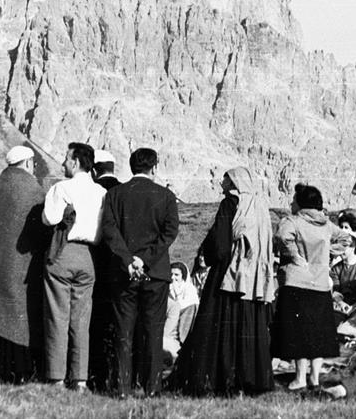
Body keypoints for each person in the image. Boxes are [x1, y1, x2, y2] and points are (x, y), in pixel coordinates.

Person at [168, 167, 275, 396]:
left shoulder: (229, 204)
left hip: (228, 272)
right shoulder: (259, 206)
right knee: (248, 325)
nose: (221, 182)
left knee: (218, 323)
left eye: (226, 178)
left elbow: (220, 241)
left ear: (235, 181)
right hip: (252, 275)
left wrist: (206, 256)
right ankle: (248, 379)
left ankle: (217, 378)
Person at [101, 148, 180, 397]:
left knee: (123, 331)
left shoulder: (115, 194)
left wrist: (129, 260)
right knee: (153, 331)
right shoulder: (166, 196)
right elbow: (170, 232)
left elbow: (110, 231)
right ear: (154, 168)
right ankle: (152, 387)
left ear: (131, 166)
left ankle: (122, 387)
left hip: (124, 273)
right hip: (154, 273)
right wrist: (144, 261)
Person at [0, 145, 50, 384]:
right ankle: (20, 370)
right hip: (23, 264)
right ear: (29, 163)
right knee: (21, 316)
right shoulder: (32, 189)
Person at [42, 142, 107, 389]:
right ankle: (79, 379)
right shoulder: (101, 192)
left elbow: (50, 218)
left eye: (67, 159)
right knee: (81, 320)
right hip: (89, 257)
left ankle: (56, 376)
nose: (63, 163)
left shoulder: (61, 188)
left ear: (76, 162)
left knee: (57, 316)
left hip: (63, 253)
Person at [271, 184, 347, 391]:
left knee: (299, 333)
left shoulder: (292, 221)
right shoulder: (326, 225)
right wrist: (326, 252)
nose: (291, 203)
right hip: (321, 284)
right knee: (317, 335)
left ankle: (299, 378)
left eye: (294, 200)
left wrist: (295, 255)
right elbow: (346, 239)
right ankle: (314, 378)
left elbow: (281, 237)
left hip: (296, 281)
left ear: (302, 203)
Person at [88, 147, 120, 389]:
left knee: (95, 323)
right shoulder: (123, 191)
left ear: (94, 169)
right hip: (119, 267)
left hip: (95, 264)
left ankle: (94, 373)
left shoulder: (93, 191)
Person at [161, 262, 199, 364]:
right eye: (171, 274)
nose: (173, 277)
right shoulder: (167, 289)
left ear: (183, 276)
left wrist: (177, 295)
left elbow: (184, 308)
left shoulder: (189, 291)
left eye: (177, 275)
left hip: (181, 333)